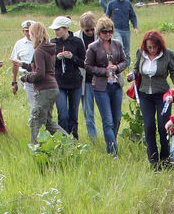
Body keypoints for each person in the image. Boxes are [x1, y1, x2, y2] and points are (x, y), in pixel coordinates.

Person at [131, 30, 174, 169]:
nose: (151, 50)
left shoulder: (167, 54)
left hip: (162, 95)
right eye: (149, 47)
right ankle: (153, 161)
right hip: (145, 94)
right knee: (149, 126)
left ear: (159, 45)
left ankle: (165, 159)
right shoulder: (140, 53)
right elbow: (136, 69)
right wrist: (132, 74)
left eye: (154, 47)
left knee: (163, 126)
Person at [84, 16, 127, 157]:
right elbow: (88, 66)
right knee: (107, 120)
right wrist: (104, 71)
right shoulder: (93, 47)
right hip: (101, 87)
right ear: (99, 32)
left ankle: (111, 144)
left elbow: (125, 61)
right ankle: (113, 152)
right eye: (104, 32)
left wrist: (117, 68)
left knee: (116, 119)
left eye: (110, 31)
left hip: (116, 85)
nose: (108, 34)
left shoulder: (117, 44)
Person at [20, 22, 67, 144]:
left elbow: (40, 74)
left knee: (35, 122)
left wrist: (26, 77)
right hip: (53, 87)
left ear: (34, 35)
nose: (30, 37)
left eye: (30, 34)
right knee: (48, 122)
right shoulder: (49, 49)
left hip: (44, 89)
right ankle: (70, 142)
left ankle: (37, 149)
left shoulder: (39, 51)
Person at [49, 16, 86, 140]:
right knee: (62, 113)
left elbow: (84, 63)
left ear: (65, 29)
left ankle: (74, 139)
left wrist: (72, 58)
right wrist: (57, 59)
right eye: (54, 30)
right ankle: (63, 139)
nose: (55, 32)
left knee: (73, 114)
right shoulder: (52, 43)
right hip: (59, 82)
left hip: (75, 82)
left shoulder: (77, 42)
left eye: (58, 29)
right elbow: (49, 64)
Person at [74, 12, 98, 141]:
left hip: (101, 79)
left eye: (92, 29)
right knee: (89, 114)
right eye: (87, 30)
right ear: (82, 28)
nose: (90, 32)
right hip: (86, 80)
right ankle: (93, 139)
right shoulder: (77, 38)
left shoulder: (101, 35)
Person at [106, 0, 138, 66]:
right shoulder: (111, 4)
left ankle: (126, 68)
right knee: (121, 46)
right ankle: (118, 64)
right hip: (116, 30)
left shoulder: (128, 4)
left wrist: (135, 27)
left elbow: (133, 16)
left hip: (126, 30)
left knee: (127, 51)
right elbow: (107, 17)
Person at [11, 19, 36, 112]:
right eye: (26, 31)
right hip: (27, 78)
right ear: (23, 31)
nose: (29, 33)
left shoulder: (43, 42)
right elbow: (14, 63)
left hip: (42, 77)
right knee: (32, 107)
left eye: (31, 30)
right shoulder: (19, 44)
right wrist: (13, 82)